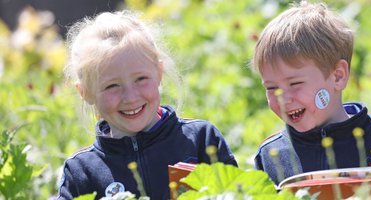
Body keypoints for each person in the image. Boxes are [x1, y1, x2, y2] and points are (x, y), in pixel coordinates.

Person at [58, 11, 237, 199]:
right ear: (85, 93)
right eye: (112, 86)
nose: (130, 97)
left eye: (140, 79)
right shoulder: (81, 171)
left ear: (158, 73)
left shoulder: (201, 139)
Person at [251, 1, 371, 185]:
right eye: (271, 88)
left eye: (295, 83)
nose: (283, 99)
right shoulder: (270, 156)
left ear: (338, 76)